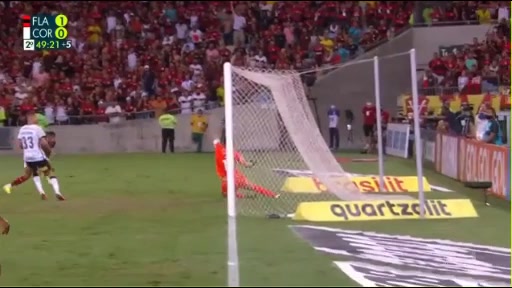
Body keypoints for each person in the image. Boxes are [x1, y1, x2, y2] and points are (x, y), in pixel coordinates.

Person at [3, 112, 65, 201]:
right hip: (37, 156)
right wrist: (49, 152)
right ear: (32, 119)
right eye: (36, 118)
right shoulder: (37, 128)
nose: (37, 119)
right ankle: (57, 192)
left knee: (29, 175)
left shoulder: (22, 129)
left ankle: (10, 186)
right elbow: (44, 144)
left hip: (27, 157)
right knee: (50, 172)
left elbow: (21, 145)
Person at [213, 139, 278, 199]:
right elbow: (244, 163)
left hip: (227, 181)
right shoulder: (235, 153)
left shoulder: (218, 148)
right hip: (238, 178)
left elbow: (216, 142)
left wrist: (216, 141)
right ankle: (273, 195)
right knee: (254, 187)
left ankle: (239, 194)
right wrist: (251, 163)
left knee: (225, 195)